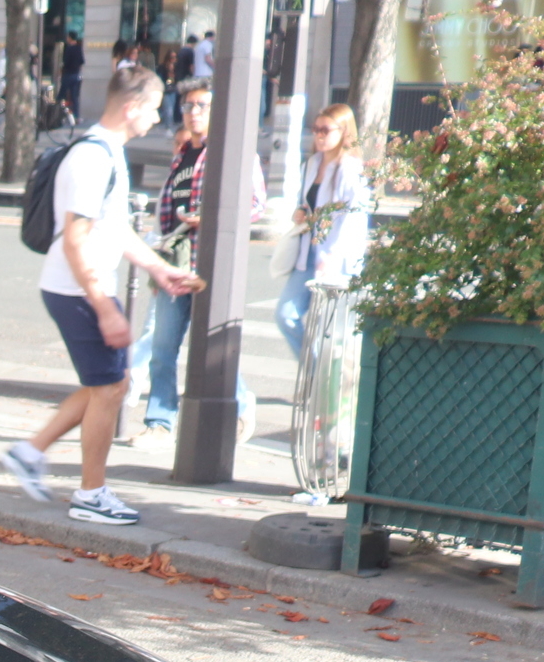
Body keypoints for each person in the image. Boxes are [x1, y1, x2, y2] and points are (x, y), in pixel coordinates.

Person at [2, 65, 193, 525]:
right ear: (131, 107)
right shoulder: (93, 159)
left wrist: (159, 268)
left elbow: (114, 229)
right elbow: (75, 239)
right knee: (110, 389)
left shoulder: (107, 152)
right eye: (152, 108)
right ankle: (90, 494)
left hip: (78, 288)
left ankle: (29, 454)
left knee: (106, 385)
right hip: (77, 290)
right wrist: (105, 307)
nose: (158, 119)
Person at [134, 83, 254, 443]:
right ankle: (160, 422)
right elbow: (166, 215)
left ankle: (243, 405)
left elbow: (255, 204)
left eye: (201, 105)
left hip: (210, 263)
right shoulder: (183, 154)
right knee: (162, 347)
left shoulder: (233, 153)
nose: (193, 111)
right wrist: (158, 261)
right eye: (188, 105)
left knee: (210, 346)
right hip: (176, 262)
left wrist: (213, 217)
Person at [276, 103, 371, 359]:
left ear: (343, 132)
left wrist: (333, 255)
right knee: (285, 315)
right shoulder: (311, 164)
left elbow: (354, 218)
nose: (319, 135)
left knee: (326, 330)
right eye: (316, 129)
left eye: (325, 130)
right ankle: (314, 377)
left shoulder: (351, 169)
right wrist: (300, 213)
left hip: (335, 258)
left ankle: (321, 388)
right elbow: (308, 203)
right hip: (307, 252)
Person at [58, 29, 85, 119]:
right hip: (76, 75)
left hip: (68, 74)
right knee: (74, 97)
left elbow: (66, 62)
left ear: (69, 38)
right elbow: (82, 61)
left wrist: (62, 70)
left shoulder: (69, 48)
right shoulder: (78, 48)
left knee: (61, 95)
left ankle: (56, 114)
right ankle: (76, 116)